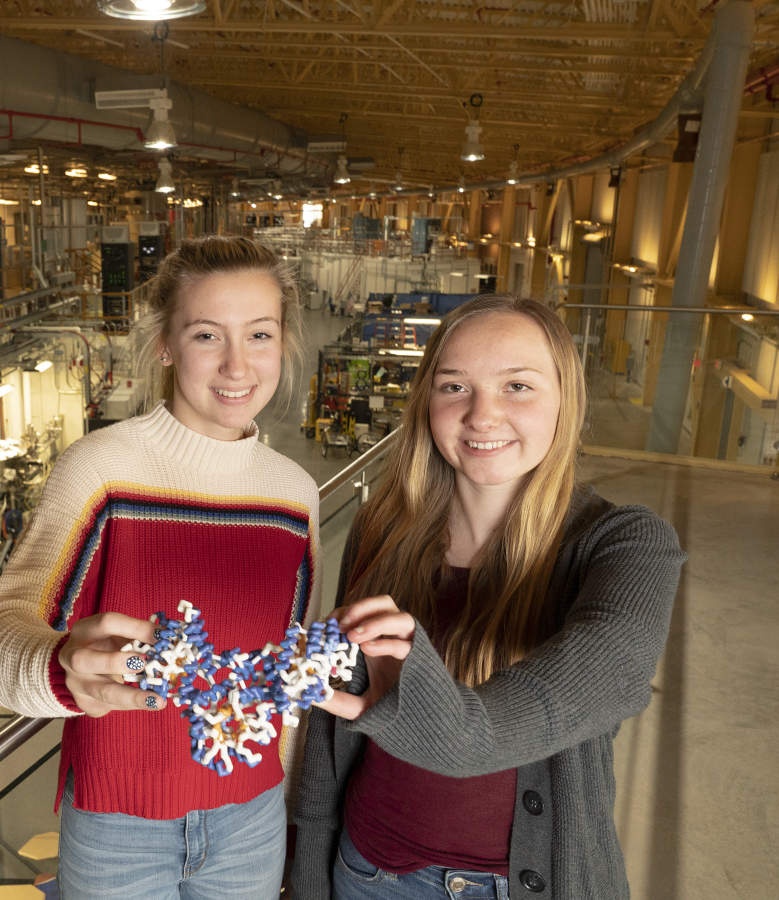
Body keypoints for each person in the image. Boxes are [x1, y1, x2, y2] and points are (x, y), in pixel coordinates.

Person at [290, 295, 686, 900]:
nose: (483, 415)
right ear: (427, 401)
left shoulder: (626, 546)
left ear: (565, 402)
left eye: (518, 386)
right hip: (365, 870)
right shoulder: (380, 528)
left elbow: (598, 680)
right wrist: (310, 869)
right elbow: (331, 729)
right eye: (455, 386)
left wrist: (420, 691)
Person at [0, 235, 323, 900]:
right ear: (165, 343)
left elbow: (281, 682)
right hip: (118, 828)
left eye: (258, 335)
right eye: (205, 336)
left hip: (251, 821)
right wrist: (61, 670)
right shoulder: (103, 470)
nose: (235, 365)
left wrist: (281, 795)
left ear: (283, 343)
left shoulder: (295, 496)